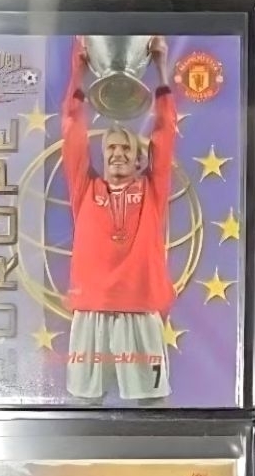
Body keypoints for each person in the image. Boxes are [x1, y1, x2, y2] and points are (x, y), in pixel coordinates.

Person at [61, 35, 177, 403]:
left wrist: (161, 67)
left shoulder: (151, 191)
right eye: (111, 147)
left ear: (140, 159)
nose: (117, 153)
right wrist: (78, 70)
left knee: (152, 405)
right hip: (91, 311)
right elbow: (71, 128)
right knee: (82, 404)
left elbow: (165, 132)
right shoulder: (86, 189)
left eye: (126, 148)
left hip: (141, 310)